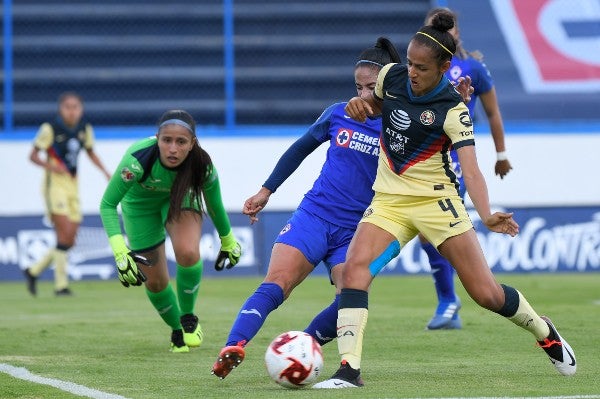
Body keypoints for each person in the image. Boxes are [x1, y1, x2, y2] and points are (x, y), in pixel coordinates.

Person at [313, 11, 575, 388]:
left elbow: (471, 171)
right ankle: (348, 371)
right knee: (354, 272)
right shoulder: (391, 78)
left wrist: (486, 214)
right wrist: (360, 107)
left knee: (486, 294)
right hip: (388, 200)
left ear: (444, 66)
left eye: (421, 67)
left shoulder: (455, 110)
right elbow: (378, 110)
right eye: (409, 63)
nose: (412, 72)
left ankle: (544, 331)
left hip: (437, 203)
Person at [211, 38, 472, 379]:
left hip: (363, 228)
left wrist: (454, 102)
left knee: (349, 296)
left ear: (387, 86)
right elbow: (300, 148)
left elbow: (447, 146)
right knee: (277, 282)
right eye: (358, 86)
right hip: (315, 215)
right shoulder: (338, 113)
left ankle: (300, 346)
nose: (363, 95)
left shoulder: (404, 126)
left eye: (370, 87)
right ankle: (234, 346)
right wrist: (266, 190)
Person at [99, 109, 242, 353]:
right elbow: (107, 205)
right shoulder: (136, 160)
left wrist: (228, 240)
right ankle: (176, 330)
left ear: (192, 144)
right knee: (154, 282)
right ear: (157, 139)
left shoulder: (202, 166)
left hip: (179, 198)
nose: (173, 148)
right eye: (167, 140)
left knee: (187, 251)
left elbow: (214, 204)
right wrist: (120, 251)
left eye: (181, 142)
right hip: (139, 206)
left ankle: (188, 319)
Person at [419, 7, 514, 330]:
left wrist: (501, 154)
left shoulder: (472, 67)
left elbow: (493, 112)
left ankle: (449, 300)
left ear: (456, 32)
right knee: (427, 234)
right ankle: (451, 299)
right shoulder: (420, 67)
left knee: (428, 230)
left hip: (454, 160)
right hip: (421, 158)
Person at [24, 91, 111, 296]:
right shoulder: (50, 129)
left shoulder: (84, 129)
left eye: (76, 107)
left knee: (69, 239)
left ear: (81, 109)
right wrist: (51, 167)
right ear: (60, 109)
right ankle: (61, 285)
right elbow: (33, 155)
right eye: (67, 107)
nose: (72, 111)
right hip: (54, 187)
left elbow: (90, 151)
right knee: (63, 235)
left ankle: (34, 271)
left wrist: (105, 171)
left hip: (73, 185)